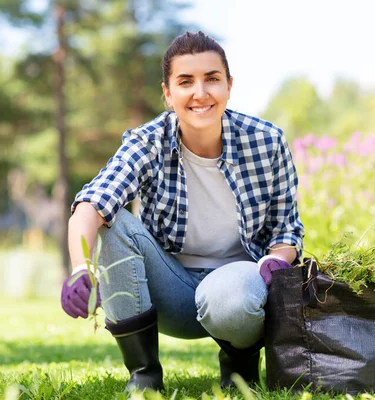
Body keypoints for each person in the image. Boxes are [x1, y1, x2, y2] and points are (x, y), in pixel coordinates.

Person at [61, 31, 304, 392]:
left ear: (229, 86)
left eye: (212, 79)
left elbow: (287, 230)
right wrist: (80, 267)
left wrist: (276, 263)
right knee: (112, 223)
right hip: (169, 290)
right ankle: (144, 376)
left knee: (229, 298)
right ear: (168, 93)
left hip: (238, 289)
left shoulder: (267, 141)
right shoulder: (148, 141)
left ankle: (240, 371)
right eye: (185, 81)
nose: (200, 93)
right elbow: (92, 204)